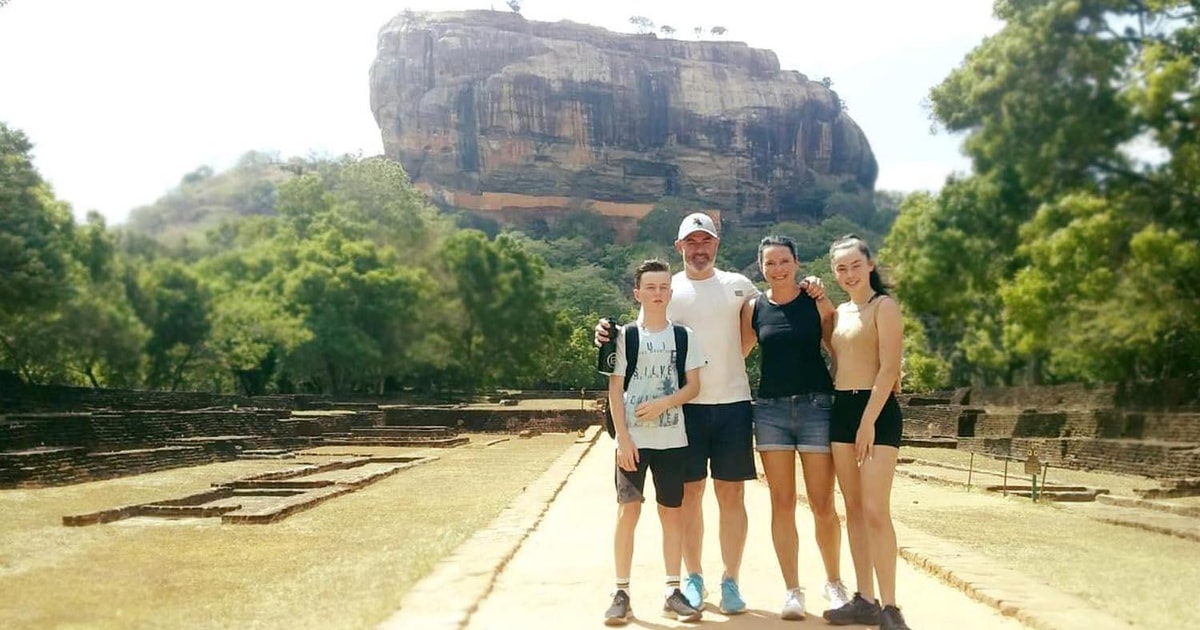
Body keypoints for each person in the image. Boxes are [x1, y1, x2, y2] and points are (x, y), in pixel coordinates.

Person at [597, 212, 823, 614]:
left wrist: (813, 289)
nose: (699, 249)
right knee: (689, 494)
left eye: (706, 242)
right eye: (692, 242)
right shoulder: (670, 288)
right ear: (679, 246)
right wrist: (604, 331)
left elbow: (770, 313)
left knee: (732, 493)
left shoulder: (739, 286)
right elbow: (643, 332)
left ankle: (731, 580)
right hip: (686, 408)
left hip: (733, 403)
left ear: (717, 244)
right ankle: (693, 577)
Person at [738, 235, 851, 620]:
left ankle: (834, 583)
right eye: (770, 263)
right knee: (781, 503)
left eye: (784, 261)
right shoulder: (753, 308)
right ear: (761, 268)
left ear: (797, 262)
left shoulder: (815, 300)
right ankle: (792, 590)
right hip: (770, 410)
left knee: (822, 504)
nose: (778, 269)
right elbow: (734, 353)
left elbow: (842, 345)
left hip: (817, 406)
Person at [603, 258, 707, 626]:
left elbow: (694, 386)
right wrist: (623, 439)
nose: (658, 293)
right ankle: (621, 592)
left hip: (672, 438)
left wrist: (664, 402)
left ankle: (671, 590)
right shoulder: (626, 336)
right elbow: (615, 390)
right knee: (628, 512)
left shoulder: (684, 336)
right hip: (634, 440)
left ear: (670, 292)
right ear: (638, 293)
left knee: (671, 514)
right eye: (651, 287)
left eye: (664, 287)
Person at [821, 234, 912, 630]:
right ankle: (864, 598)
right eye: (841, 268)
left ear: (870, 265)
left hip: (876, 413)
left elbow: (889, 369)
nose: (849, 273)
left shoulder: (884, 307)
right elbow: (835, 353)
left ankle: (890, 607)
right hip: (842, 409)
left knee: (876, 510)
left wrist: (868, 421)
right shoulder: (840, 312)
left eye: (855, 265)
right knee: (853, 509)